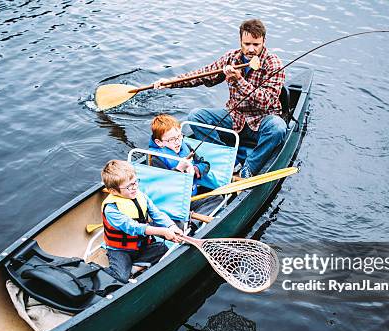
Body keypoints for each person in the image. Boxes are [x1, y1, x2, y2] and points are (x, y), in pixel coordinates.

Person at [155, 19, 286, 179]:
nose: (251, 49)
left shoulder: (274, 64)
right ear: (240, 41)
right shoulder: (231, 58)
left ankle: (249, 168)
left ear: (263, 42)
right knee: (196, 116)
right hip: (235, 117)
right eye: (247, 44)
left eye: (256, 45)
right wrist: (170, 83)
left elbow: (266, 101)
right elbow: (203, 74)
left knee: (278, 128)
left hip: (262, 120)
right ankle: (227, 159)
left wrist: (239, 80)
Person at [100, 160, 183, 284]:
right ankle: (122, 271)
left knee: (163, 248)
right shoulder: (111, 209)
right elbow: (133, 227)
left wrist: (171, 226)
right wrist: (163, 231)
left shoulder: (140, 195)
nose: (134, 188)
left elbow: (157, 214)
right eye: (129, 186)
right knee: (121, 278)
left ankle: (133, 270)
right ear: (113, 191)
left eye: (135, 182)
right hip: (120, 250)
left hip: (141, 244)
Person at [148, 114, 210, 195]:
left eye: (179, 136)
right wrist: (179, 169)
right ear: (159, 142)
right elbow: (162, 185)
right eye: (171, 139)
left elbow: (205, 165)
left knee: (217, 198)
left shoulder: (186, 147)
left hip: (191, 194)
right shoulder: (156, 159)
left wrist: (195, 169)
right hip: (174, 201)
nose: (177, 142)